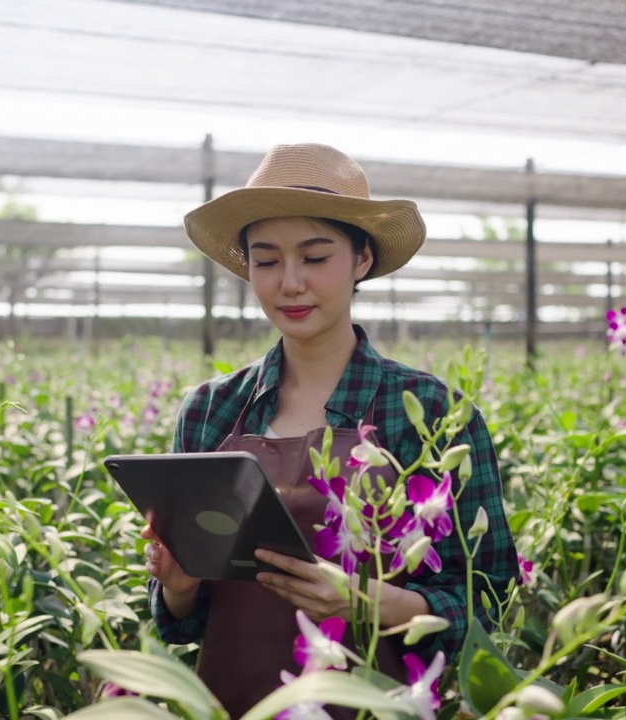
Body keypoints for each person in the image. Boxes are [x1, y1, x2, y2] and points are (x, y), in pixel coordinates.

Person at [141, 143, 517, 715]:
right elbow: (181, 625)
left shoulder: (426, 409)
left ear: (362, 260)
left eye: (315, 257)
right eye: (266, 261)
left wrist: (369, 602)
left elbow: (490, 600)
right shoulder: (209, 411)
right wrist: (178, 583)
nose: (289, 283)